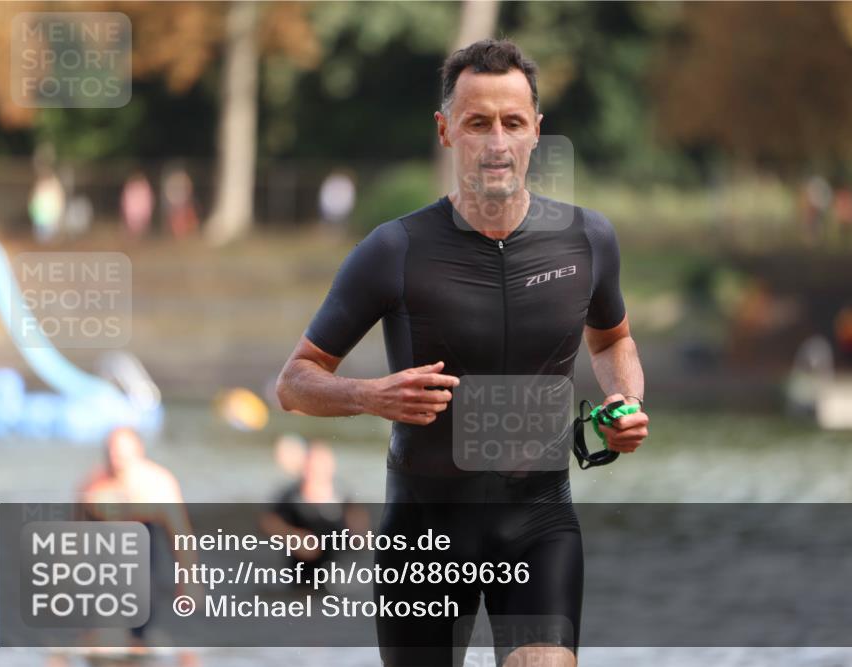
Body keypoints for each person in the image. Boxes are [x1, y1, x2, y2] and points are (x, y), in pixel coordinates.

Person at [276, 39, 648, 667]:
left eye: (512, 123)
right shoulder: (393, 250)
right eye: (478, 123)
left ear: (536, 132)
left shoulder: (588, 240)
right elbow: (295, 383)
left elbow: (613, 340)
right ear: (447, 131)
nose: (496, 142)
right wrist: (372, 395)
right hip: (423, 529)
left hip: (538, 523)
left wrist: (626, 399)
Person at [78, 428, 199, 666]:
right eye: (112, 452)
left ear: (139, 452)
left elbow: (181, 535)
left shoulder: (158, 483)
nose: (116, 458)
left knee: (143, 643)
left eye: (122, 453)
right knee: (95, 647)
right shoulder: (94, 483)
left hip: (147, 567)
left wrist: (189, 581)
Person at [260, 440, 369, 579]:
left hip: (338, 573)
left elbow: (360, 525)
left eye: (321, 465)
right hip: (302, 572)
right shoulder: (290, 496)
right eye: (311, 465)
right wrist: (292, 537)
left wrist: (360, 536)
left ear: (331, 466)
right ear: (304, 467)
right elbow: (267, 522)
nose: (316, 470)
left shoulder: (343, 495)